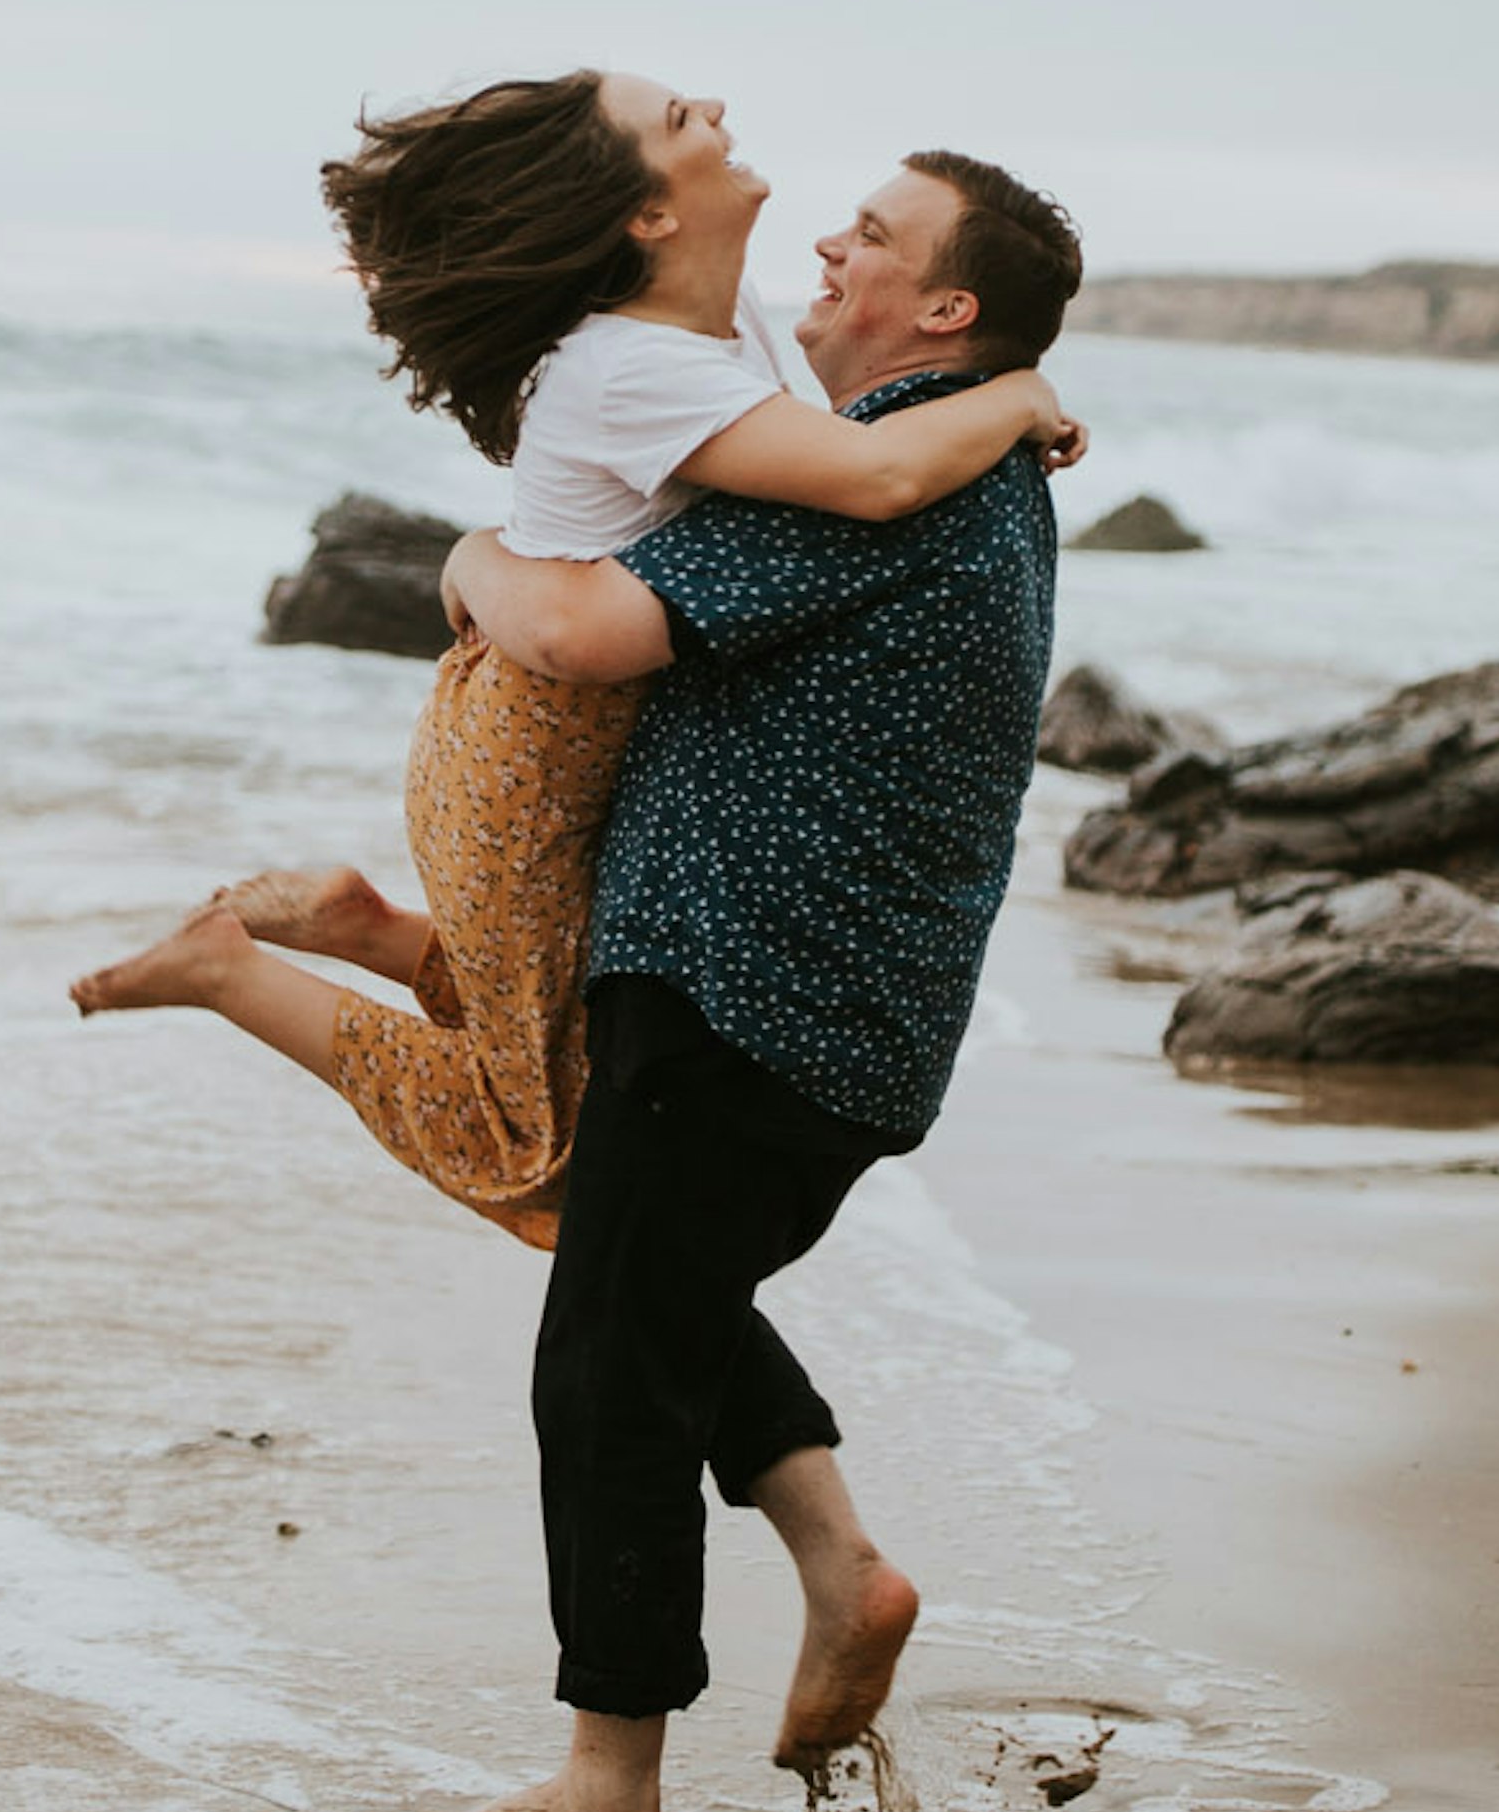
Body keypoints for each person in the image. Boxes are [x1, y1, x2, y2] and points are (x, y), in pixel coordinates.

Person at [68, 75, 1074, 1250]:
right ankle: (227, 974)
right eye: (678, 119)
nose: (713, 104)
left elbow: (855, 450)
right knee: (538, 1149)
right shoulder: (631, 364)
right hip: (532, 744)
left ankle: (373, 929)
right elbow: (875, 476)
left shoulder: (724, 323)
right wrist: (1016, 396)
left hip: (561, 721)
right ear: (648, 212)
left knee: (567, 1062)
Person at [410, 145, 1082, 1812]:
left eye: (877, 232)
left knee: (610, 1366)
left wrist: (472, 554)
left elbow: (571, 629)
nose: (833, 239)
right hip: (832, 1008)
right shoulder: (968, 458)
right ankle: (845, 1574)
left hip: (743, 989)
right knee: (652, 1291)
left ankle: (606, 1793)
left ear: (944, 307)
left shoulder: (881, 483)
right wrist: (1021, 393)